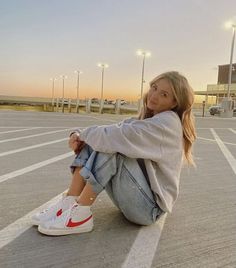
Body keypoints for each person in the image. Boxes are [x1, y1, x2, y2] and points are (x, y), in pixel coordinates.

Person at [32, 71, 196, 236]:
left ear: (174, 102)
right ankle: (69, 202)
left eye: (164, 94)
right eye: (154, 88)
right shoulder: (148, 119)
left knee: (113, 145)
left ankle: (80, 216)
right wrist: (80, 135)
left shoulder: (168, 122)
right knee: (100, 139)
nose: (154, 95)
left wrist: (82, 135)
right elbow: (113, 130)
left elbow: (118, 136)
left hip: (149, 210)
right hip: (136, 199)